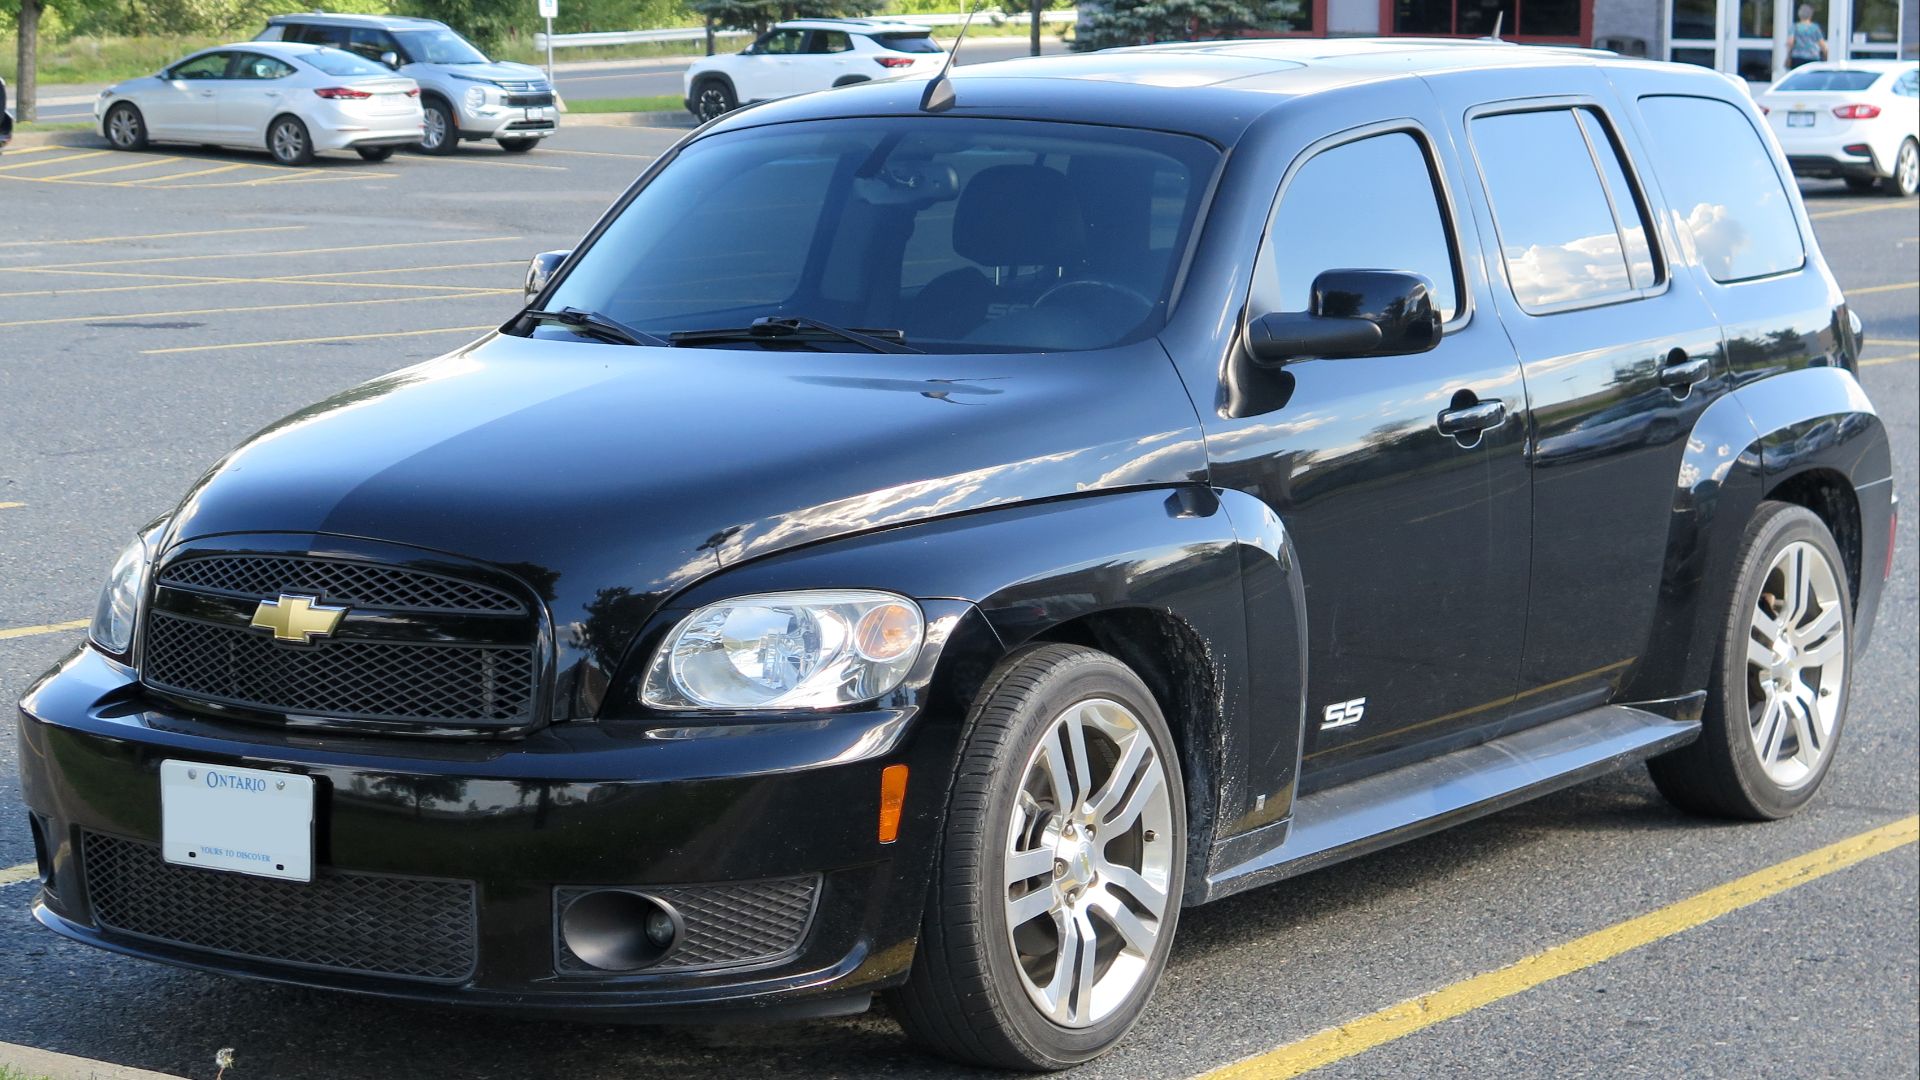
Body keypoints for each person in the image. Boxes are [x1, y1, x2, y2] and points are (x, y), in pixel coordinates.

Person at [1787, 5, 1828, 69]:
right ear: (1810, 15)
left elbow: (1790, 43)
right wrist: (1825, 57)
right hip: (1813, 58)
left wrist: (1789, 56)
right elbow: (1823, 45)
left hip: (1798, 58)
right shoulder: (1815, 28)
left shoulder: (1795, 27)